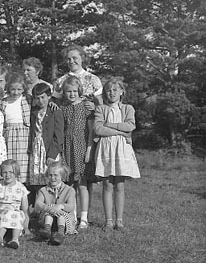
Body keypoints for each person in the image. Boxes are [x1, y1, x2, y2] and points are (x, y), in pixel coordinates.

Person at [93, 78, 140, 233]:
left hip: (121, 149)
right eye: (108, 90)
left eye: (115, 90)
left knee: (119, 185)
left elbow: (130, 126)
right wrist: (121, 132)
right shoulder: (100, 109)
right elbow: (98, 129)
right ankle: (108, 221)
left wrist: (111, 125)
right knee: (107, 184)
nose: (111, 93)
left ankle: (119, 221)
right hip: (106, 148)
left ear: (121, 92)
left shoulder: (127, 108)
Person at [60, 75, 96, 230]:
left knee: (82, 184)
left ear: (79, 90)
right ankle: (72, 215)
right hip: (67, 149)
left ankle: (84, 217)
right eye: (69, 91)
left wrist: (89, 150)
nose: (72, 94)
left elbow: (91, 131)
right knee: (70, 185)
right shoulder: (63, 108)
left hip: (82, 148)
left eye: (75, 91)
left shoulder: (86, 108)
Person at [27, 82, 64, 200]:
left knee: (51, 178)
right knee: (38, 180)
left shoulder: (55, 111)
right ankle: (40, 208)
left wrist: (52, 154)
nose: (40, 100)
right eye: (37, 98)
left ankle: (53, 206)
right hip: (36, 148)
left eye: (43, 97)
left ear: (49, 96)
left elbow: (58, 136)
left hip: (49, 149)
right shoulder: (33, 111)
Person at [0, 159, 30, 249]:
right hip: (2, 212)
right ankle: (0, 236)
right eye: (5, 172)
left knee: (18, 215)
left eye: (11, 172)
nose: (8, 175)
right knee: (6, 214)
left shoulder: (21, 188)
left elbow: (25, 209)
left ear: (16, 173)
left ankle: (15, 239)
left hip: (16, 212)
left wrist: (26, 226)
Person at [35, 162, 77, 245]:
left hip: (65, 220)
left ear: (62, 176)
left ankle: (60, 233)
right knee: (49, 210)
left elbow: (71, 206)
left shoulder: (69, 190)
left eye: (55, 175)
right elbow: (38, 204)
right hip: (48, 218)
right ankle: (47, 230)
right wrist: (49, 208)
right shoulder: (43, 190)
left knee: (61, 214)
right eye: (50, 175)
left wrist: (61, 206)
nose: (52, 178)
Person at [1, 73, 31, 184]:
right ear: (8, 88)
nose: (16, 92)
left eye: (19, 89)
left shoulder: (27, 100)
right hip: (9, 134)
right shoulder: (4, 101)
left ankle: (23, 191)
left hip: (23, 134)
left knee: (23, 165)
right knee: (9, 163)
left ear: (23, 89)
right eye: (13, 89)